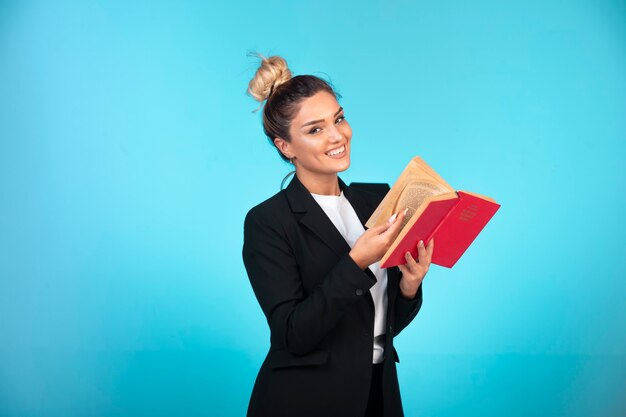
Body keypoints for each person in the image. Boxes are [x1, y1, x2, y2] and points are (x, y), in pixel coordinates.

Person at [242, 53, 435, 417]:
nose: (337, 136)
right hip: (305, 401)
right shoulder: (268, 221)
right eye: (315, 129)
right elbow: (293, 335)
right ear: (285, 147)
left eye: (339, 119)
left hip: (378, 394)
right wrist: (357, 261)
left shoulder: (376, 200)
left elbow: (376, 324)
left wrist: (410, 287)